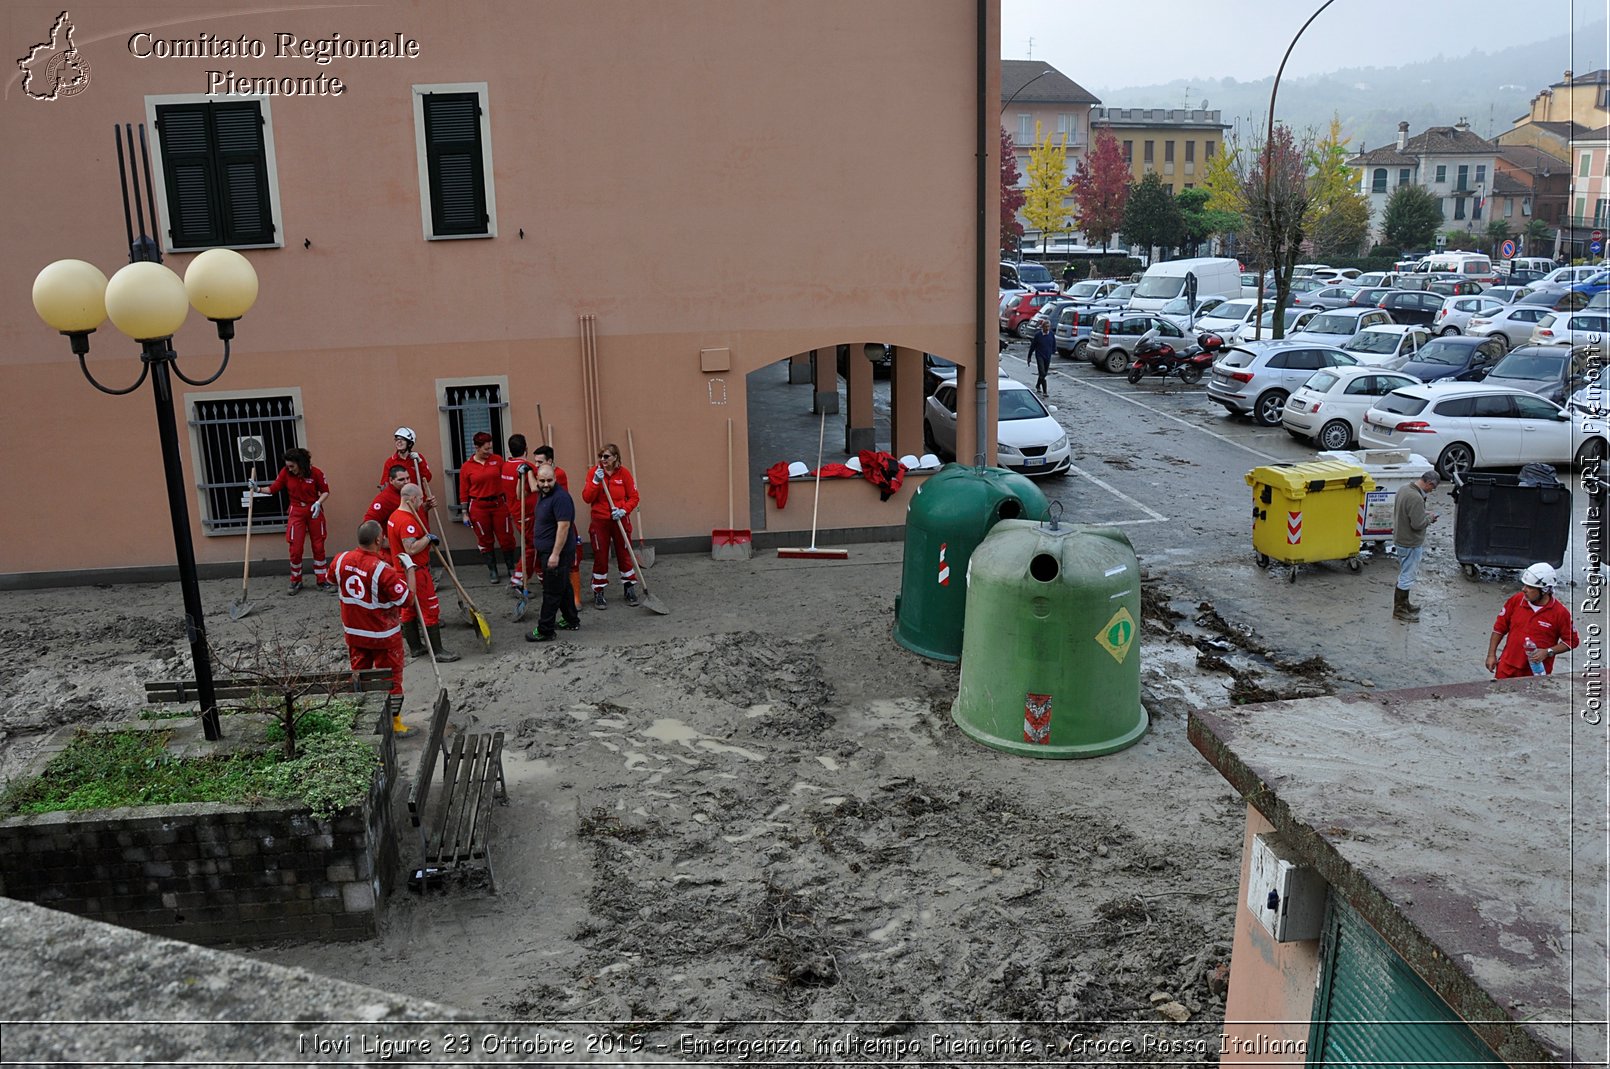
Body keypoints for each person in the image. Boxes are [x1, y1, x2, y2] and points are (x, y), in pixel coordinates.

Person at [330, 521, 413, 736]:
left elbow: (331, 578)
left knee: (360, 675)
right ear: (378, 539)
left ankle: (361, 720)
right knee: (391, 678)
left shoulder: (340, 560)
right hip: (383, 636)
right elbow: (407, 600)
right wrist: (409, 571)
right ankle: (394, 723)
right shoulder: (382, 570)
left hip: (355, 634)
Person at [387, 483, 459, 663]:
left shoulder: (395, 516)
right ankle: (438, 651)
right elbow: (410, 548)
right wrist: (427, 538)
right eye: (419, 499)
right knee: (430, 609)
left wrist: (425, 509)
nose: (421, 502)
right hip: (416, 573)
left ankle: (416, 647)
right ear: (412, 499)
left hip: (401, 571)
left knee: (408, 610)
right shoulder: (406, 521)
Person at [246, 447, 331, 595]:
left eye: (292, 466)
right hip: (296, 511)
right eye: (288, 466)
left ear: (301, 463)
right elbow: (273, 489)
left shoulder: (316, 473)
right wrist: (257, 489)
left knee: (318, 546)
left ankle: (322, 580)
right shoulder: (286, 472)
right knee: (295, 548)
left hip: (314, 511)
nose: (290, 469)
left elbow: (325, 491)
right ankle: (296, 580)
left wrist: (318, 503)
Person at [1486, 563, 1580, 679]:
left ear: (1545, 590)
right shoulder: (1516, 600)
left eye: (1530, 587)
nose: (1524, 589)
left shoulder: (1560, 613)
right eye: (1524, 585)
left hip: (1536, 673)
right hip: (1507, 668)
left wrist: (1548, 651)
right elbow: (1499, 628)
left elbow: (1572, 641)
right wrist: (1491, 654)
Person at [526, 463, 582, 642]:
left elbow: (564, 527)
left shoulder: (560, 498)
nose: (545, 484)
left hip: (556, 552)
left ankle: (545, 629)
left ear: (555, 479)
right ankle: (571, 620)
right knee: (563, 586)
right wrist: (527, 472)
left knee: (551, 591)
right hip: (547, 551)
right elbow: (533, 486)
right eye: (541, 480)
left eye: (549, 480)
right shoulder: (544, 492)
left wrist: (555, 554)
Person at [580, 443, 640, 609]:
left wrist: (623, 510)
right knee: (600, 556)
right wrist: (595, 482)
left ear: (615, 457)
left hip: (620, 519)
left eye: (606, 456)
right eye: (600, 456)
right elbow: (586, 497)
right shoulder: (594, 473)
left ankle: (629, 588)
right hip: (600, 521)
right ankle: (598, 591)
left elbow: (634, 497)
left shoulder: (624, 473)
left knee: (624, 553)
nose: (602, 459)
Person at [458, 431, 515, 584]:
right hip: (478, 506)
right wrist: (464, 513)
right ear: (476, 447)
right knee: (485, 539)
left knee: (507, 537)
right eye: (485, 449)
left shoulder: (497, 460)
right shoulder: (467, 467)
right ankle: (493, 570)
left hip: (498, 504)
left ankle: (511, 567)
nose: (489, 452)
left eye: (490, 448)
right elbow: (463, 491)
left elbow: (507, 479)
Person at [534, 444, 584, 606]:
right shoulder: (545, 477)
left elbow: (534, 487)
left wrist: (528, 473)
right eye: (535, 463)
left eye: (539, 462)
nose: (536, 466)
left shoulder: (558, 475)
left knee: (571, 565)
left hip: (561, 531)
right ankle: (570, 613)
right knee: (558, 578)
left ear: (549, 462)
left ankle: (576, 599)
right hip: (548, 533)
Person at [1391, 469, 1440, 621]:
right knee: (1407, 575)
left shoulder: (1404, 489)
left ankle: (1404, 604)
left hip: (1400, 537)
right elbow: (1417, 524)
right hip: (1410, 542)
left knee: (1405, 572)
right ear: (1429, 483)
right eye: (1433, 488)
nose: (1432, 491)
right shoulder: (1416, 498)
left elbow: (1409, 513)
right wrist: (1430, 519)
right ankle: (1399, 610)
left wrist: (1423, 513)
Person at [380, 427, 434, 502]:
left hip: (417, 501)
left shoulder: (417, 458)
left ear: (410, 443)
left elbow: (427, 478)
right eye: (397, 440)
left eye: (402, 440)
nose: (398, 442)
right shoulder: (390, 461)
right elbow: (385, 485)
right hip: (399, 502)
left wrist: (420, 462)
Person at [1028, 319, 1055, 395]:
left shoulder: (1051, 334)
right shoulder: (1038, 335)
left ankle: (1037, 385)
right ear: (1042, 327)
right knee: (1042, 372)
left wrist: (1053, 351)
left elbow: (1053, 344)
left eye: (1048, 327)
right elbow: (1032, 346)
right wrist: (1029, 357)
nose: (1047, 328)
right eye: (1045, 327)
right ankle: (1045, 391)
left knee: (1044, 373)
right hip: (1040, 355)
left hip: (1047, 356)